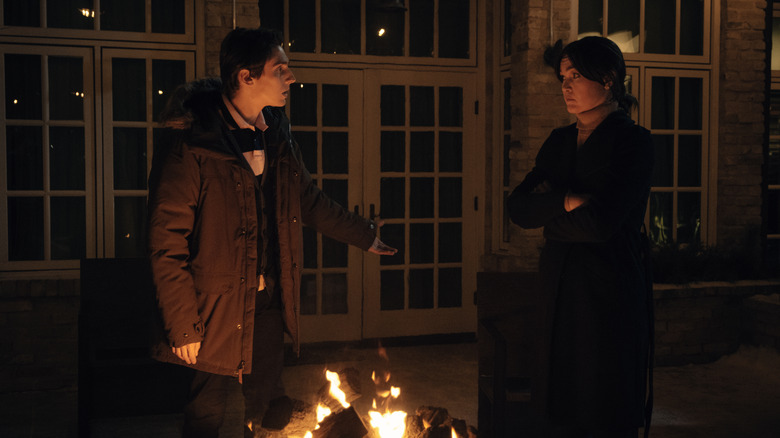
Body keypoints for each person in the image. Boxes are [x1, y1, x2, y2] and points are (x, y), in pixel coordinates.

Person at [147, 27, 396, 438]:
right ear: (246, 77)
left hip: (266, 299)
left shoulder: (275, 132)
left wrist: (364, 235)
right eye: (280, 69)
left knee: (265, 409)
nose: (291, 78)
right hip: (213, 306)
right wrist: (183, 324)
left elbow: (307, 200)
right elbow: (165, 240)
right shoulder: (192, 142)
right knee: (207, 412)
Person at [507, 36, 654, 438]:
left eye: (575, 75)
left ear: (607, 79)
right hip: (559, 285)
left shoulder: (633, 142)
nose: (565, 86)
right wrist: (570, 200)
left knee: (601, 400)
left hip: (608, 289)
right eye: (562, 77)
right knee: (559, 401)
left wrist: (551, 215)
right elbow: (518, 208)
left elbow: (602, 224)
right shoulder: (559, 141)